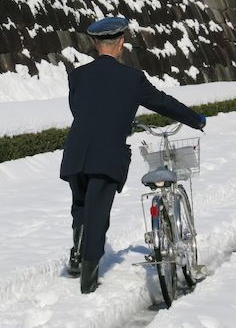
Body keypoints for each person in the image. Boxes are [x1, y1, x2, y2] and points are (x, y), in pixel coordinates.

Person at [59, 16, 206, 294]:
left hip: (75, 152)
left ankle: (77, 255)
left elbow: (79, 109)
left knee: (80, 204)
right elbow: (163, 103)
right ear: (122, 43)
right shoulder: (132, 78)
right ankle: (87, 280)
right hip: (106, 155)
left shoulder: (76, 76)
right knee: (97, 213)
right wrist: (195, 119)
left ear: (94, 43)